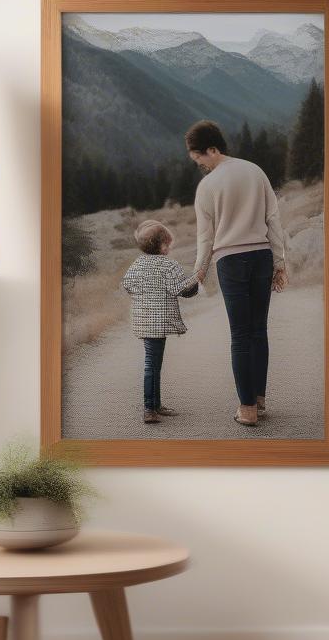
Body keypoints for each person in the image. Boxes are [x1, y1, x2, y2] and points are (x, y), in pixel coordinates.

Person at [186, 119, 287, 427]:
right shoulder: (255, 171)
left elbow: (206, 238)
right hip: (261, 256)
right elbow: (273, 219)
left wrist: (198, 273)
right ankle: (259, 399)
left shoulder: (208, 187)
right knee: (259, 330)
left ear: (212, 149)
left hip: (230, 261)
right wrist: (279, 262)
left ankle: (246, 409)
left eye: (200, 158)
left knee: (240, 335)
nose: (200, 165)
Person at [121, 220, 207, 424]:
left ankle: (156, 404)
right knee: (152, 364)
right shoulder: (169, 264)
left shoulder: (137, 264)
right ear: (161, 246)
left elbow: (127, 285)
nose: (170, 248)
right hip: (157, 324)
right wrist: (197, 277)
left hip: (144, 320)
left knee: (154, 364)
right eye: (168, 244)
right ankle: (149, 409)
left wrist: (144, 295)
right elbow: (180, 289)